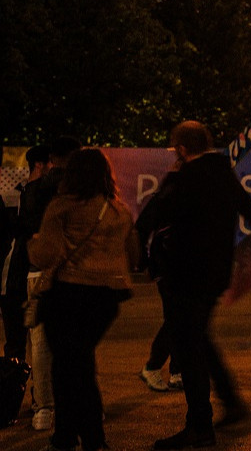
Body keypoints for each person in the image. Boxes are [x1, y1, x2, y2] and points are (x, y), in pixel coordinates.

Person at [150, 121, 251, 450]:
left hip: (186, 275)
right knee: (200, 340)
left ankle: (200, 426)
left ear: (182, 149)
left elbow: (160, 214)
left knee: (190, 350)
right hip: (214, 275)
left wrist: (172, 177)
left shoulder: (185, 178)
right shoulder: (223, 173)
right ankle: (231, 401)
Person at [28, 148, 137, 451]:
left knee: (67, 368)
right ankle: (75, 435)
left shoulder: (62, 207)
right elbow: (134, 255)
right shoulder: (118, 210)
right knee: (79, 364)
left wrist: (31, 244)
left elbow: (46, 254)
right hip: (105, 299)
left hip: (68, 294)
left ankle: (85, 438)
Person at [20, 136, 79, 431]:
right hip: (72, 270)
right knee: (77, 341)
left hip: (38, 270)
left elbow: (28, 231)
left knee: (41, 343)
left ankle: (44, 407)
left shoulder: (32, 190)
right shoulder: (78, 188)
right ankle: (80, 404)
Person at [134, 169, 183, 392]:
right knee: (176, 318)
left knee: (181, 318)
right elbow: (141, 229)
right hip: (169, 267)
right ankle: (153, 366)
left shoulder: (176, 194)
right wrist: (145, 263)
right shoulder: (169, 196)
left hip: (177, 267)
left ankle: (177, 370)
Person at [1, 144, 47, 362]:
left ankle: (16, 390)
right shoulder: (35, 195)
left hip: (14, 277)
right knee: (34, 343)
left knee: (17, 344)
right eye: (51, 162)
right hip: (18, 276)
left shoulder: (17, 194)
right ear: (40, 164)